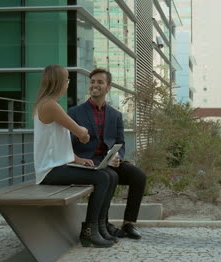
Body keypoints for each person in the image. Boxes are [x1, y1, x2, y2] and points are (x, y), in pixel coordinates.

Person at [33, 65, 119, 248]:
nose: (68, 83)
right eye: (67, 80)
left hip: (59, 166)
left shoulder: (49, 104)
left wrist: (77, 159)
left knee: (110, 174)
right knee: (102, 177)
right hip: (50, 172)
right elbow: (80, 132)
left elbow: (56, 143)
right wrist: (84, 133)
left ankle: (100, 226)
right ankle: (89, 231)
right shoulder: (50, 105)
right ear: (60, 83)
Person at [68, 68, 146, 239]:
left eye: (100, 82)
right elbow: (69, 142)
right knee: (109, 175)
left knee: (138, 176)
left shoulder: (115, 115)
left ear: (108, 87)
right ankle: (103, 224)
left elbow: (121, 142)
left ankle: (128, 224)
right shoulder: (74, 112)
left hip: (110, 160)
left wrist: (119, 157)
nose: (95, 85)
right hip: (88, 162)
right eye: (92, 81)